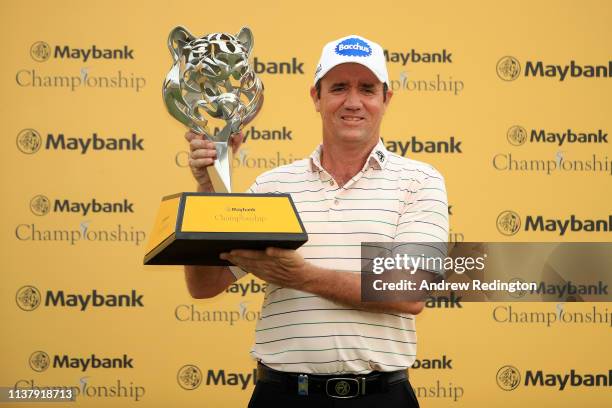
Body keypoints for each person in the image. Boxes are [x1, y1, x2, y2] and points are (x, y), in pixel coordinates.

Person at [184, 35, 448, 407]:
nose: (353, 102)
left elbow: (409, 291)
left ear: (386, 99)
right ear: (316, 97)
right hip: (282, 395)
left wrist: (299, 275)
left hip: (380, 397)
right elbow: (205, 284)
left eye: (367, 89)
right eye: (338, 87)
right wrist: (207, 187)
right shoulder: (273, 185)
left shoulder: (421, 181)